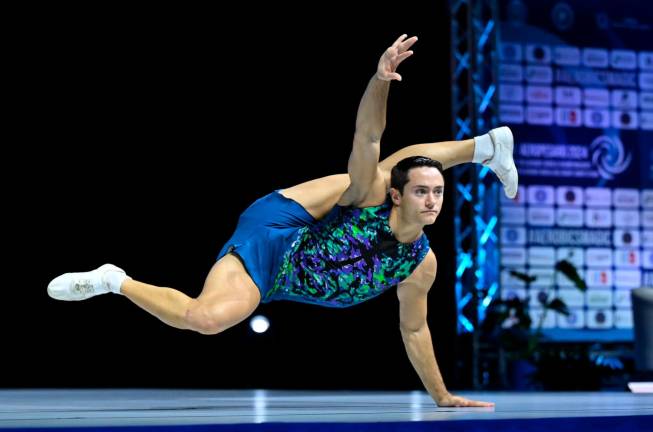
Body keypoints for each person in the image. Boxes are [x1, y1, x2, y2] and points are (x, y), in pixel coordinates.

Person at [48, 34, 516, 407]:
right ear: (400, 197)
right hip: (280, 227)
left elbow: (414, 329)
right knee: (373, 173)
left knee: (206, 319)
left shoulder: (421, 264)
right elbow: (368, 134)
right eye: (422, 192)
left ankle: (113, 280)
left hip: (282, 278)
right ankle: (484, 147)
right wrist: (379, 79)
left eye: (439, 193)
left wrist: (442, 396)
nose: (433, 201)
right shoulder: (374, 195)